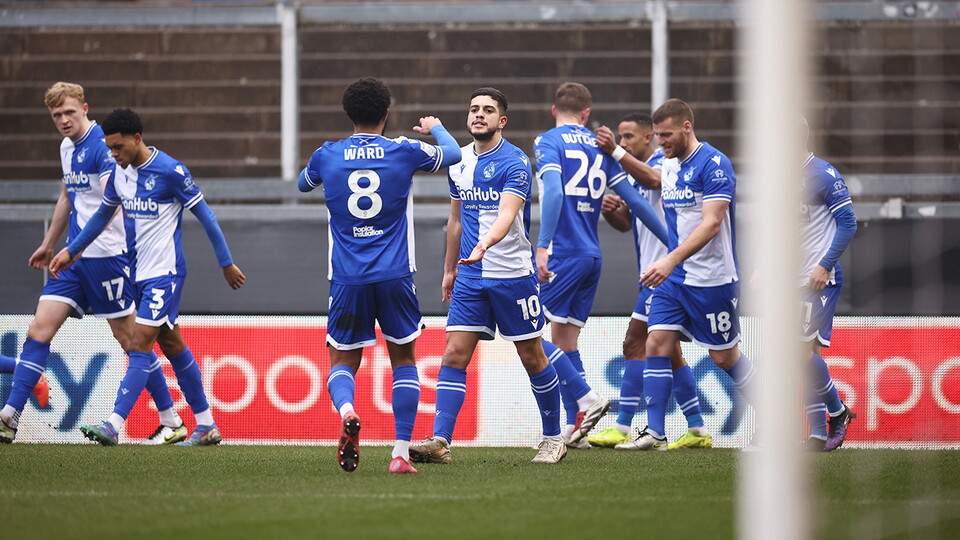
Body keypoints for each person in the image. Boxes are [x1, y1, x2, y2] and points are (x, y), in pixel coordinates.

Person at [1, 83, 185, 445]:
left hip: (106, 258)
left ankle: (170, 418)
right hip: (72, 259)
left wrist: (77, 247)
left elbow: (110, 205)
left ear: (84, 109)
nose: (63, 120)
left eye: (69, 112)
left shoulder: (104, 146)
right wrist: (49, 244)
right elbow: (68, 197)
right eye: (56, 115)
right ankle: (10, 416)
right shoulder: (66, 147)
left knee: (131, 340)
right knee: (38, 330)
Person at [49, 107, 245, 447]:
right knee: (172, 344)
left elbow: (207, 216)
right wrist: (72, 249)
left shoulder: (170, 171)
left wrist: (226, 263)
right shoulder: (119, 173)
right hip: (136, 274)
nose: (113, 154)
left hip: (165, 274)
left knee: (138, 344)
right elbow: (102, 215)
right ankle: (206, 424)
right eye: (109, 148)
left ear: (136, 139)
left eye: (118, 147)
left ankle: (113, 425)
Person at [299, 78, 462, 474]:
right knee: (403, 358)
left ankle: (348, 411)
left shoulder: (326, 154)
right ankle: (400, 454)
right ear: (386, 115)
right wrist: (436, 127)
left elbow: (304, 183)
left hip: (347, 277)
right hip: (395, 274)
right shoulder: (403, 150)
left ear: (348, 114)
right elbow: (454, 154)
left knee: (342, 359)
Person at [409, 87, 566, 465]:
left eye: (488, 110)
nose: (479, 114)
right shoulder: (458, 161)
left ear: (502, 120)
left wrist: (485, 244)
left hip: (512, 274)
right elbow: (456, 219)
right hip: (469, 275)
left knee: (532, 356)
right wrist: (449, 269)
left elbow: (507, 214)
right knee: (453, 354)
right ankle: (441, 440)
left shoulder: (516, 162)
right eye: (474, 109)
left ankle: (554, 438)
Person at [533, 82, 670, 448]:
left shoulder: (548, 141)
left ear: (554, 110)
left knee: (526, 332)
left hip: (562, 252)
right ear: (586, 113)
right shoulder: (600, 147)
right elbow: (637, 204)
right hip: (592, 255)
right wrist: (673, 243)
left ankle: (587, 398)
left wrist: (542, 245)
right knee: (565, 340)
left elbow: (554, 192)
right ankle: (574, 428)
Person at [628, 98, 760, 450]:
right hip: (675, 279)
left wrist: (669, 260)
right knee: (656, 342)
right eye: (657, 136)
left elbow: (712, 224)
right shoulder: (669, 166)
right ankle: (655, 432)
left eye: (666, 135)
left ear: (687, 127)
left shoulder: (714, 164)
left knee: (724, 357)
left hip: (712, 279)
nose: (660, 143)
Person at [589, 113, 712, 450]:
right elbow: (628, 223)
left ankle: (624, 426)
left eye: (629, 136)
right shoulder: (636, 174)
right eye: (620, 137)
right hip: (653, 273)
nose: (623, 142)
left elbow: (656, 181)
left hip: (666, 273)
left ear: (648, 138)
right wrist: (612, 211)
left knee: (635, 343)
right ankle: (697, 429)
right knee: (669, 351)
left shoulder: (661, 163)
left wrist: (615, 153)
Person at [797, 116, 857, 451]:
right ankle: (819, 434)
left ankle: (838, 411)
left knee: (797, 352)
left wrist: (824, 265)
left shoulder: (823, 174)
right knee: (807, 357)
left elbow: (848, 223)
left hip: (817, 280)